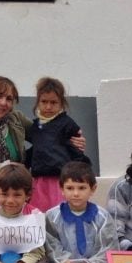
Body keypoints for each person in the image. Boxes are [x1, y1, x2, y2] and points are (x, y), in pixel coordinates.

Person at [0, 76, 86, 215]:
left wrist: (72, 140)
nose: (3, 103)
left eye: (9, 99)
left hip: (17, 178)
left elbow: (45, 137)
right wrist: (3, 166)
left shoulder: (16, 118)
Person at [27, 77, 90, 212]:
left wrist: (81, 172)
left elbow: (77, 150)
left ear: (61, 103)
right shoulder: (36, 126)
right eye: (44, 102)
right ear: (38, 102)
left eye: (53, 102)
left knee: (60, 213)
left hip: (60, 180)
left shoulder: (67, 124)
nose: (48, 107)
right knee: (40, 214)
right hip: (39, 182)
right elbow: (36, 149)